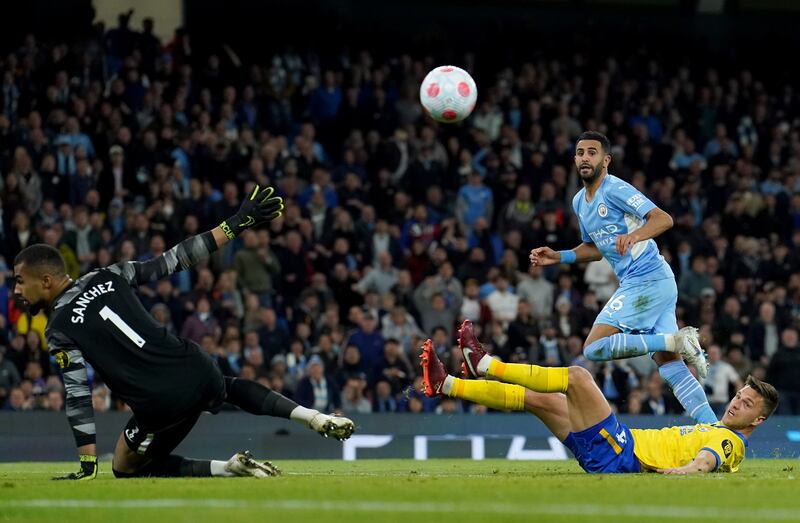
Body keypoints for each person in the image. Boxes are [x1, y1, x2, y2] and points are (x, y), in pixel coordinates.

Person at [13, 185, 355, 481]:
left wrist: (88, 462)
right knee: (228, 387)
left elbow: (77, 395)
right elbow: (176, 258)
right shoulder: (110, 273)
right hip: (193, 364)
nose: (16, 291)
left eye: (19, 281)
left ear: (46, 280)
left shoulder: (57, 327)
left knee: (125, 467)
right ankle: (313, 416)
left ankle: (227, 468)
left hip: (159, 403)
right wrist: (233, 225)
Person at [526, 131, 715, 424]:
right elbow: (595, 248)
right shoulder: (579, 202)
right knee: (669, 365)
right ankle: (714, 430)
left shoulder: (615, 189)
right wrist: (558, 256)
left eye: (591, 152)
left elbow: (663, 218)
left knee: (593, 347)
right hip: (652, 282)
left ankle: (677, 341)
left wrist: (634, 235)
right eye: (579, 153)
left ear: (606, 160)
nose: (584, 158)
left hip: (648, 279)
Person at [420, 323, 779, 474]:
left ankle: (484, 364)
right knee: (536, 399)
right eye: (739, 396)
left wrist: (685, 471)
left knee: (577, 377)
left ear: (758, 421)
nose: (736, 404)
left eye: (747, 405)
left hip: (621, 453)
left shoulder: (731, 441)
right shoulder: (715, 424)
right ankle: (447, 385)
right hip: (613, 451)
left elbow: (708, 461)